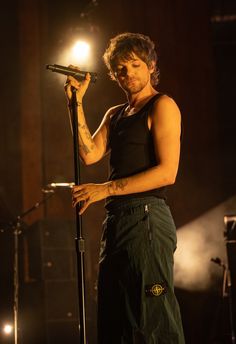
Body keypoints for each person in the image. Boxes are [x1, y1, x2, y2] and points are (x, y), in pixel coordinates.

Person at [65, 32, 185, 344]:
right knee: (115, 319)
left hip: (147, 217)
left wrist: (104, 189)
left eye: (134, 65)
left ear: (150, 66)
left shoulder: (162, 106)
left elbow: (167, 173)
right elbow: (89, 153)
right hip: (116, 222)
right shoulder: (115, 114)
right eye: (120, 68)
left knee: (151, 321)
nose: (127, 73)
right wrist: (75, 102)